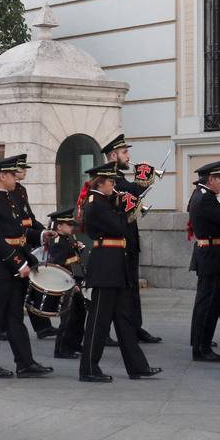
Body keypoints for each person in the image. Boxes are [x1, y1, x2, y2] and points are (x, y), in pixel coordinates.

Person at [78, 162, 159, 383]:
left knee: (124, 319)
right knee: (99, 320)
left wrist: (126, 206)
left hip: (116, 263)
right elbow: (119, 227)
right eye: (111, 182)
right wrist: (128, 210)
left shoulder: (105, 201)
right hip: (105, 264)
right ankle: (89, 368)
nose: (115, 185)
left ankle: (137, 366)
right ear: (100, 182)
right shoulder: (95, 203)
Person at [0, 154, 51, 379]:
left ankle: (25, 363)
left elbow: (21, 232)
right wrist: (19, 263)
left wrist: (39, 239)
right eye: (12, 175)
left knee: (15, 316)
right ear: (2, 176)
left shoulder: (12, 198)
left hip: (16, 264)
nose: (16, 178)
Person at [103, 134, 162, 344]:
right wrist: (144, 178)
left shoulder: (118, 176)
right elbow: (130, 195)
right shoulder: (110, 180)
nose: (129, 156)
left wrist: (143, 180)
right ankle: (110, 331)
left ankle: (136, 328)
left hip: (129, 241)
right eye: (125, 152)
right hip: (119, 243)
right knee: (122, 290)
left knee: (132, 289)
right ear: (113, 155)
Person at [187, 160, 220, 361]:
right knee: (207, 304)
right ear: (211, 179)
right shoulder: (205, 199)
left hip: (215, 256)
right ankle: (201, 347)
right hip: (212, 257)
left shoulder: (201, 195)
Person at [11, 157, 56, 341]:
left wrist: (43, 231)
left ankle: (42, 326)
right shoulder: (8, 191)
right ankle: (4, 328)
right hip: (18, 240)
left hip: (28, 238)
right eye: (22, 168)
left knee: (35, 285)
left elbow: (29, 216)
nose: (25, 171)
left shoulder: (21, 190)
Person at [45, 207, 88, 360]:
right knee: (68, 317)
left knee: (80, 314)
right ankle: (61, 348)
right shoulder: (57, 242)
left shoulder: (67, 239)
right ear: (59, 226)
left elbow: (71, 259)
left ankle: (74, 343)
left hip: (74, 281)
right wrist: (71, 283)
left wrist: (78, 249)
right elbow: (59, 266)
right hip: (66, 283)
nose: (72, 227)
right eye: (69, 225)